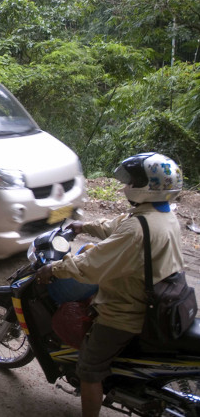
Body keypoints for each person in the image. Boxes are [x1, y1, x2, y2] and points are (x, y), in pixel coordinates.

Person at [35, 152, 184, 417]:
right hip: (162, 296)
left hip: (125, 312)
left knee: (89, 368)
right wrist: (84, 227)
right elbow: (119, 226)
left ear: (147, 187)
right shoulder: (161, 215)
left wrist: (53, 268)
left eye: (132, 181)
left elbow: (91, 266)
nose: (126, 186)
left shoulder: (137, 229)